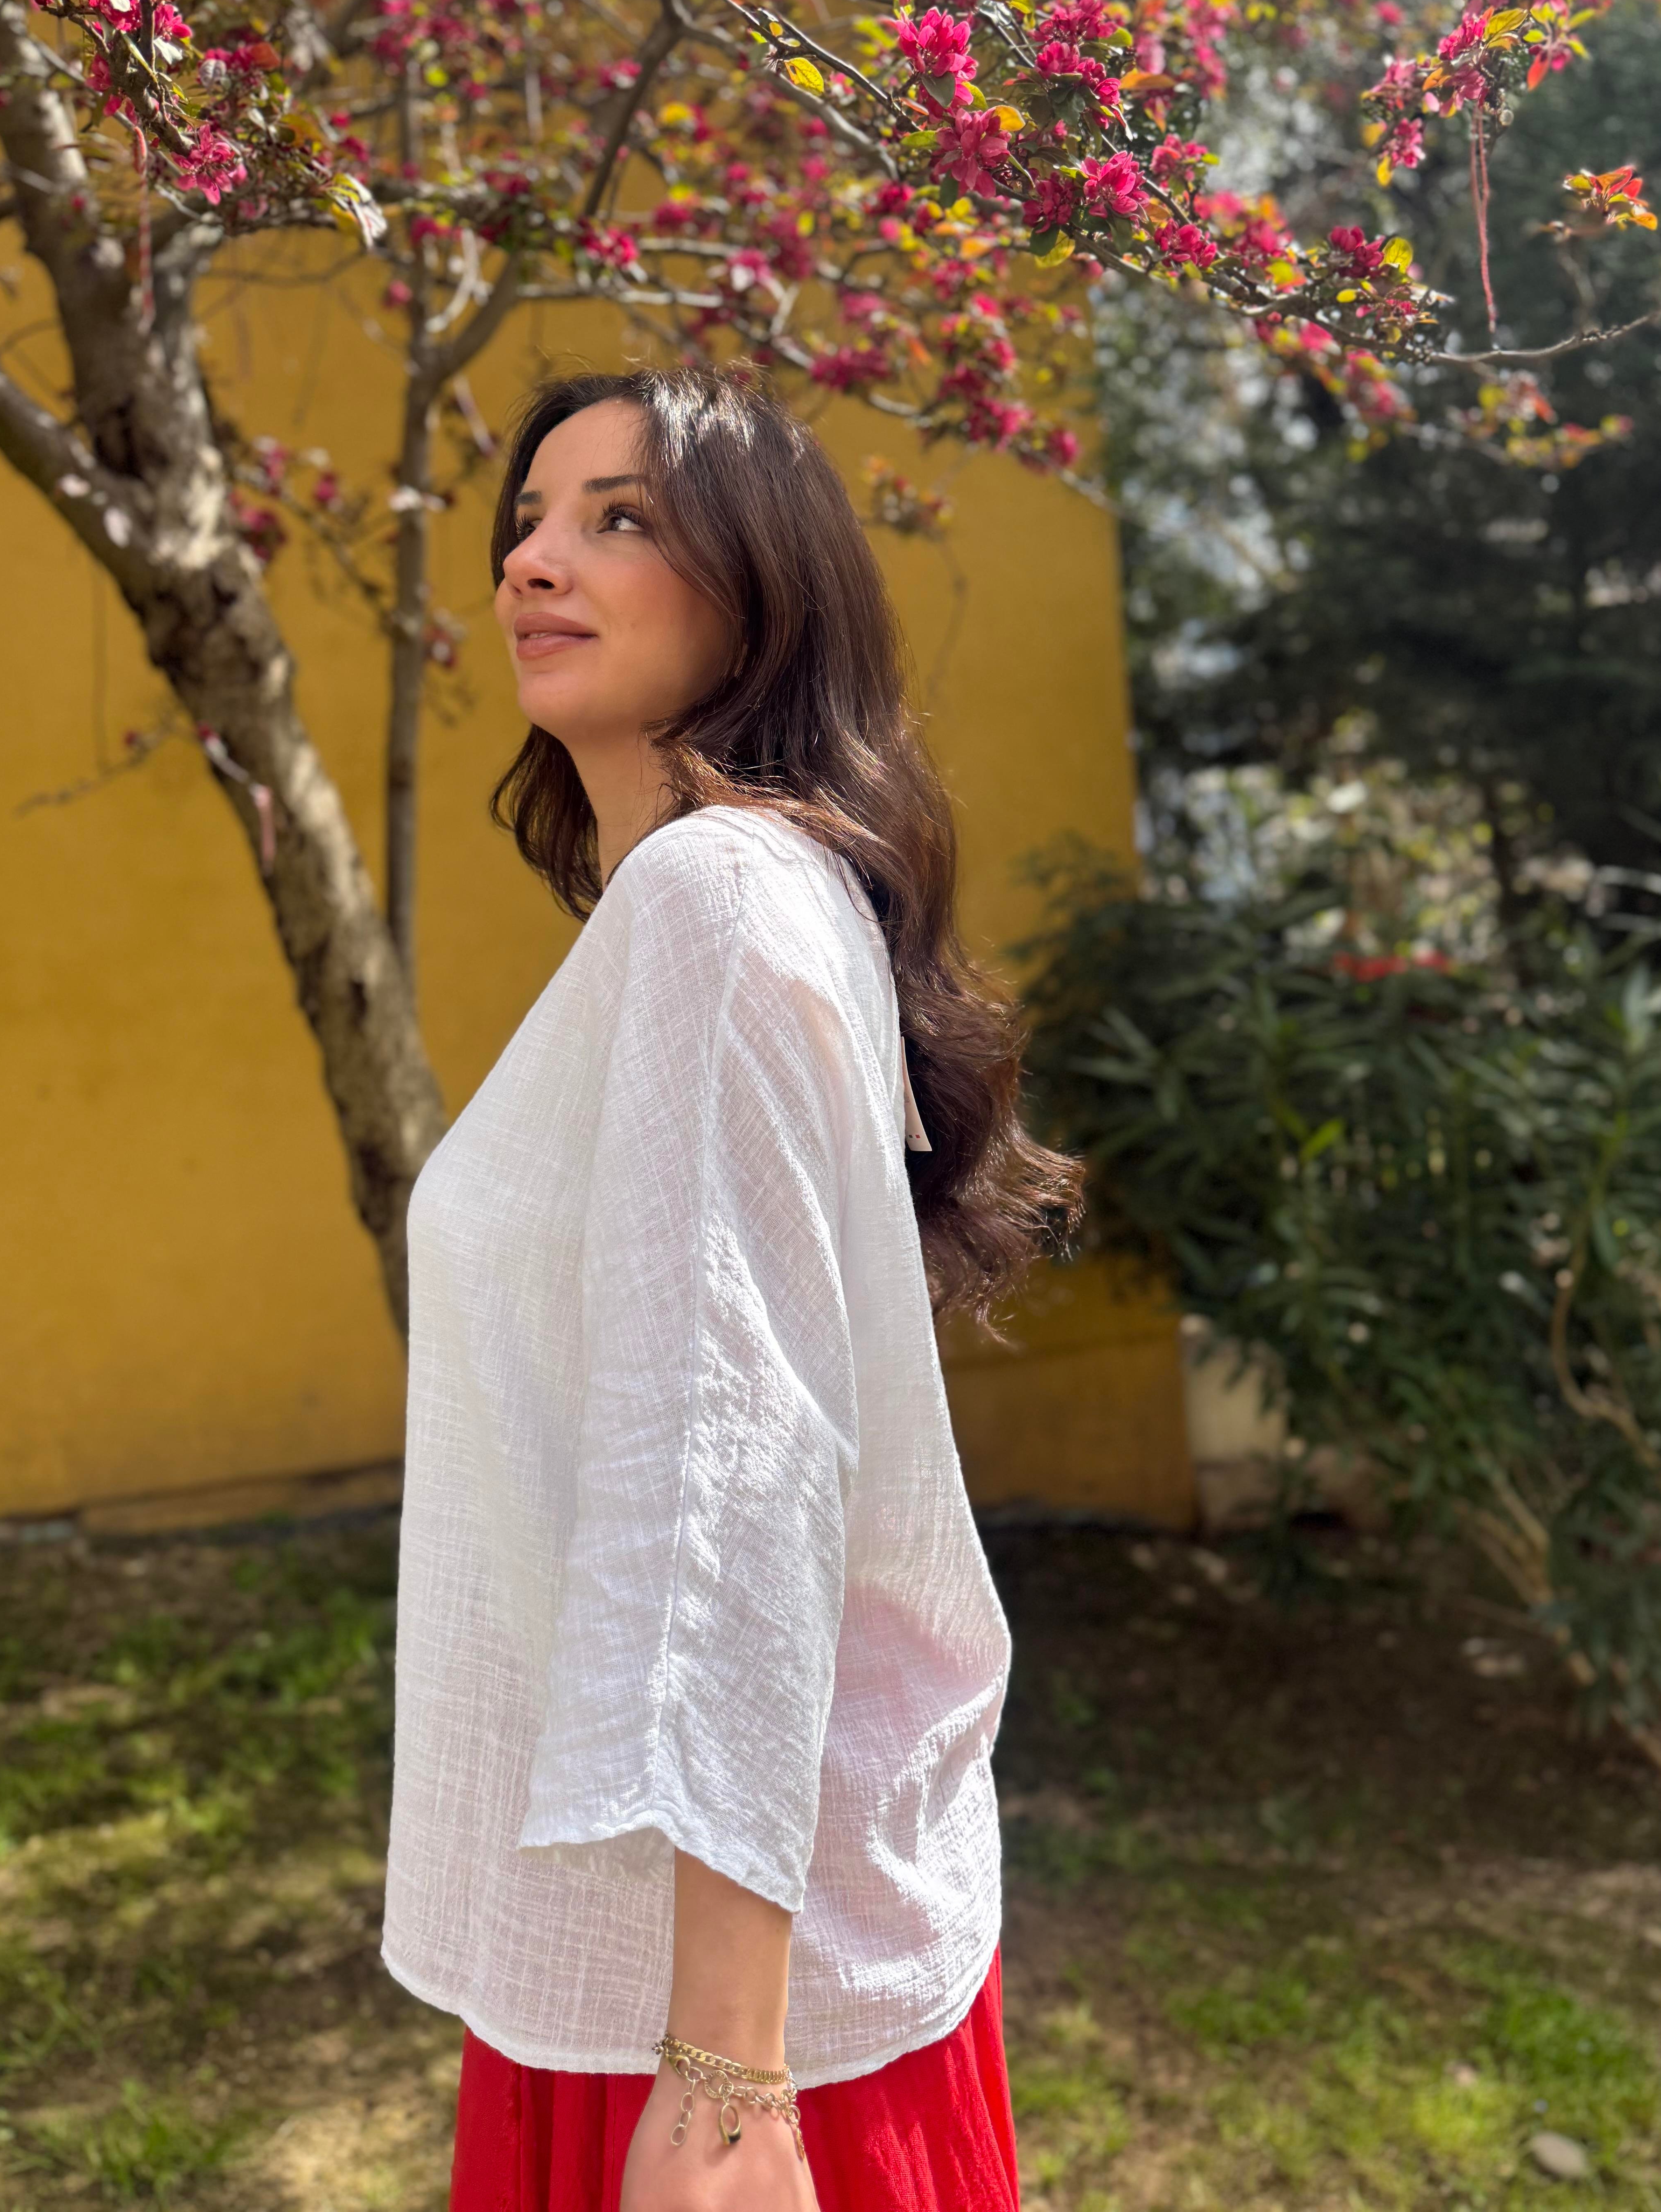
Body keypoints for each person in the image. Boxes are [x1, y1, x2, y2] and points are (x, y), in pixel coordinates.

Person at [382, 364, 1085, 2212]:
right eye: (528, 519)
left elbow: (736, 1479)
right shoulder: (737, 897)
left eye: (619, 518)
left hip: (716, 2002)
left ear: (761, 587)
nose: (533, 560)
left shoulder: (717, 898)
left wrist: (721, 2082)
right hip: (682, 1939)